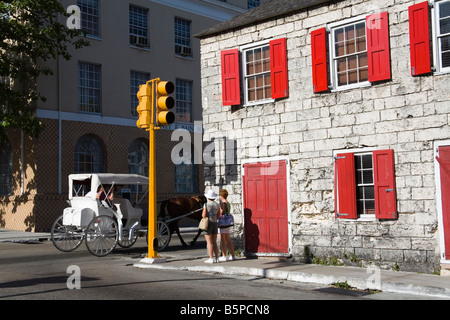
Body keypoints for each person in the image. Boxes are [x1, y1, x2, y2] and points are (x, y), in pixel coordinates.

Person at [202, 189, 222, 263]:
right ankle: (217, 258)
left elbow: (203, 215)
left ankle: (211, 258)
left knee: (209, 242)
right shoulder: (217, 205)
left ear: (208, 197)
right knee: (214, 242)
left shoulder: (206, 205)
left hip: (208, 223)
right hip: (215, 223)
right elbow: (219, 216)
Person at [218, 189, 236, 261]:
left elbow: (220, 213)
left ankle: (224, 256)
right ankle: (233, 255)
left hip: (222, 223)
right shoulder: (228, 203)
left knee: (222, 240)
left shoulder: (223, 204)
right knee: (228, 240)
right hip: (227, 223)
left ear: (221, 195)